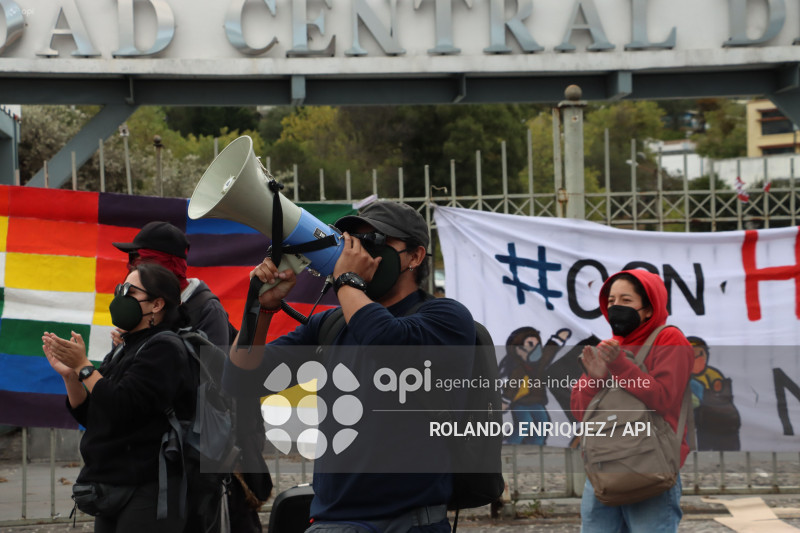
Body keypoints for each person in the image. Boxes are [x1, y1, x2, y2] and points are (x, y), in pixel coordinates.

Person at [224, 200, 476, 533]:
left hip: (410, 522)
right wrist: (259, 308)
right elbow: (240, 379)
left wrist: (347, 280)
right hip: (333, 521)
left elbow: (386, 342)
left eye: (374, 242)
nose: (356, 252)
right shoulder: (330, 325)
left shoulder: (445, 318)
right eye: (350, 242)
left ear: (414, 257)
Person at [113, 220, 269, 533]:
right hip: (166, 447)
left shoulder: (204, 307)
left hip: (207, 444)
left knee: (223, 516)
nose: (130, 268)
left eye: (138, 261)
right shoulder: (144, 309)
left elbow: (214, 378)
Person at [42, 263, 194, 533]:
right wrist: (70, 376)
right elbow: (95, 415)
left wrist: (85, 368)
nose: (120, 297)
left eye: (130, 291)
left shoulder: (165, 347)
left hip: (149, 488)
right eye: (119, 289)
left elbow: (124, 405)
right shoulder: (125, 348)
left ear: (157, 304)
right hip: (113, 483)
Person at [570, 270, 693, 533]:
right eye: (611, 301)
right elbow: (581, 412)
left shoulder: (669, 339)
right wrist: (594, 379)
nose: (616, 308)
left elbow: (663, 399)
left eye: (626, 301)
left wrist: (620, 366)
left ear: (648, 309)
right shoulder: (610, 345)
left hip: (649, 466)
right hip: (604, 466)